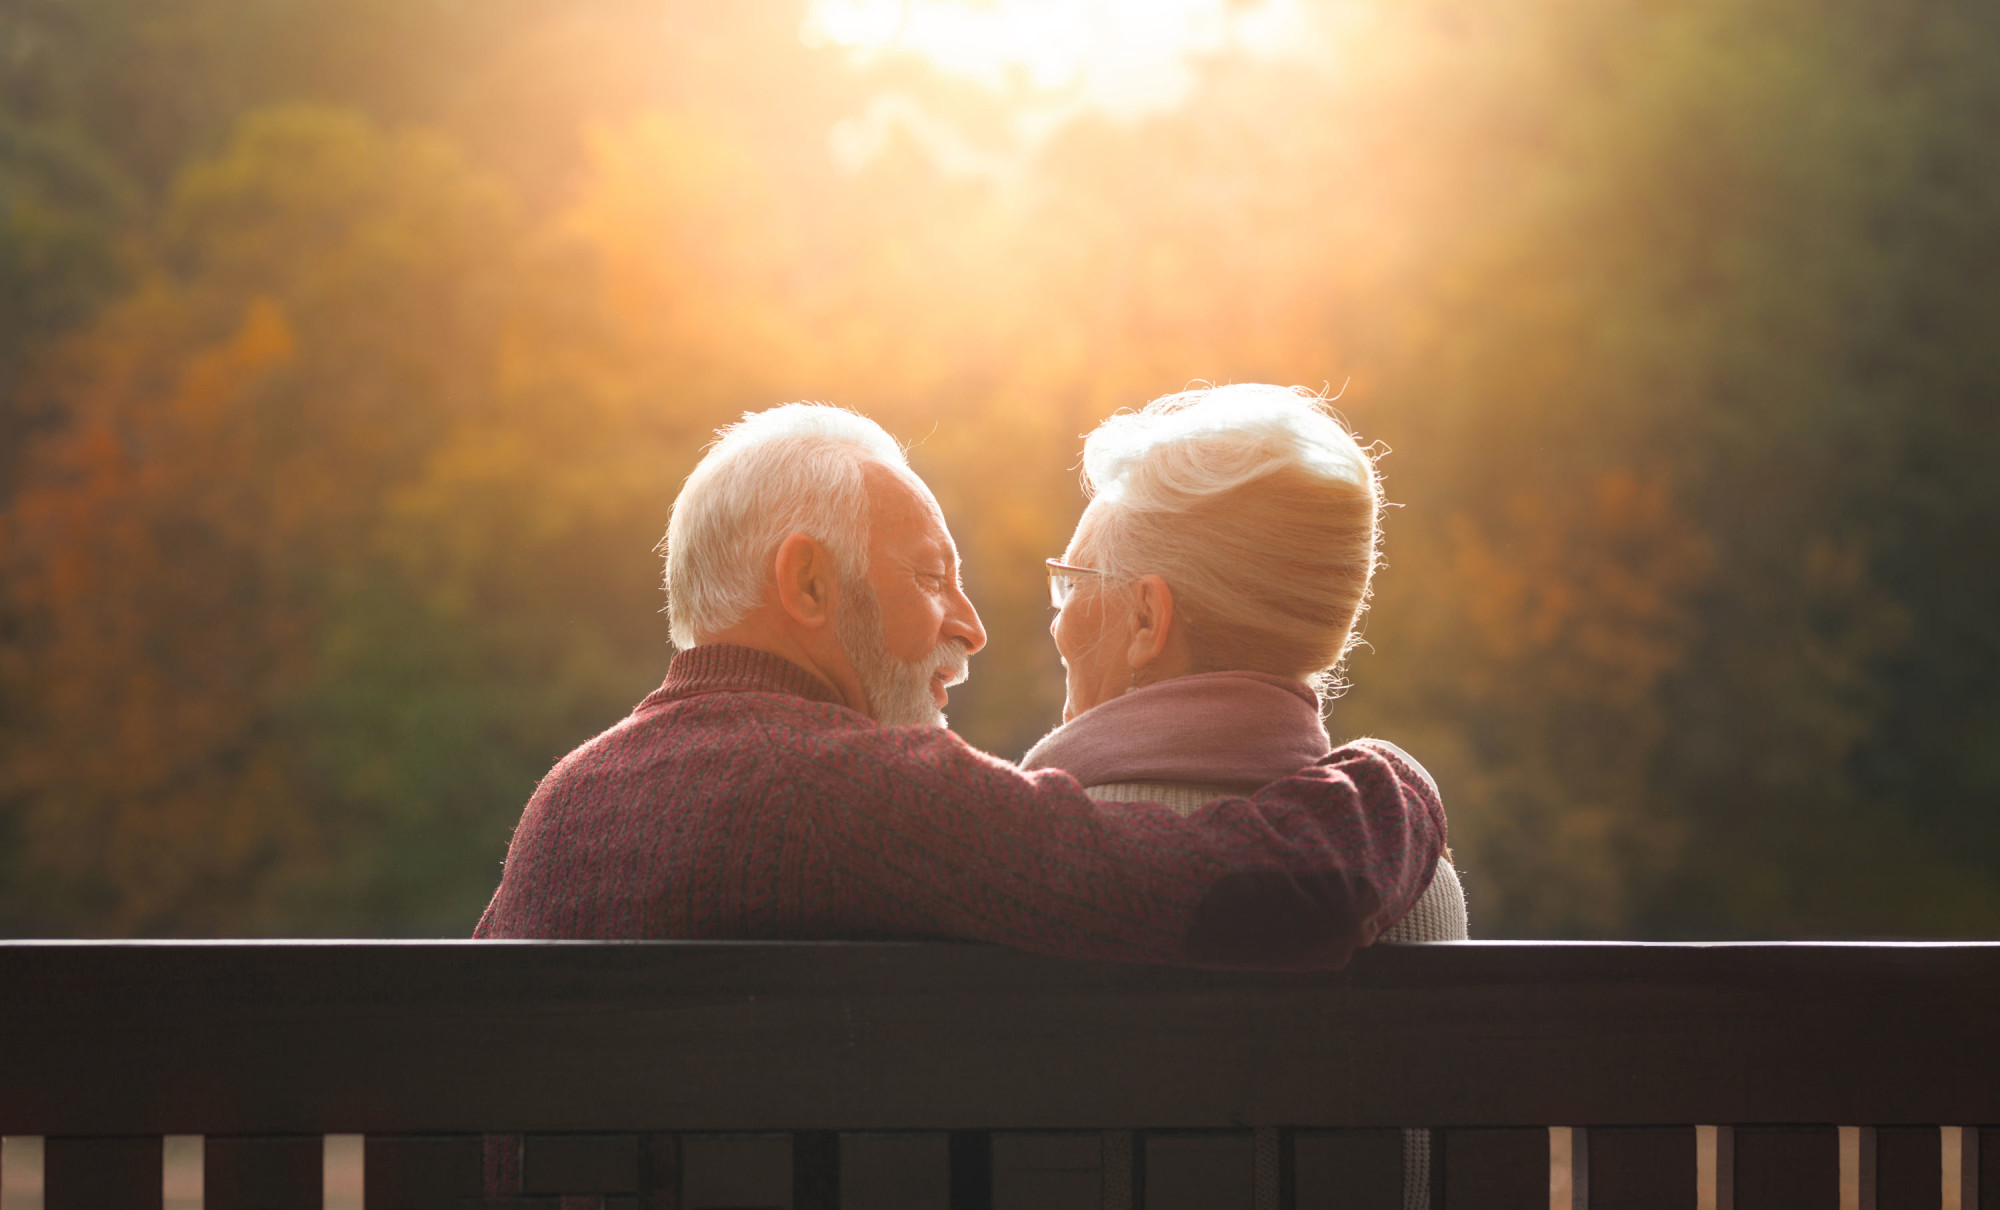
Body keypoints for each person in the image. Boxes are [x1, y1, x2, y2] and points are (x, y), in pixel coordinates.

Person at [475, 402, 1448, 970]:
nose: (971, 625)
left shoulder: (561, 803)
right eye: (932, 576)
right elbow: (1247, 894)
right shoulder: (847, 792)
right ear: (808, 583)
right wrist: (1392, 782)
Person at [1021, 382, 1465, 1206]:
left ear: (1149, 619)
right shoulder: (1420, 878)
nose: (1057, 622)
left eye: (1073, 582)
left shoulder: (1041, 863)